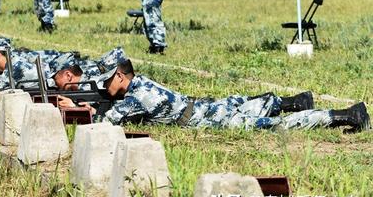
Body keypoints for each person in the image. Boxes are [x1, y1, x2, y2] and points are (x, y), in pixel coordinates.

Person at [83, 53, 370, 133]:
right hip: (205, 109)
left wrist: (81, 108)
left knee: (277, 126)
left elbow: (103, 125)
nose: (104, 87)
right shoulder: (141, 82)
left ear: (121, 75)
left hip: (210, 120)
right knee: (242, 103)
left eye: (106, 81)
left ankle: (346, 115)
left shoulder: (136, 97)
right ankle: (293, 101)